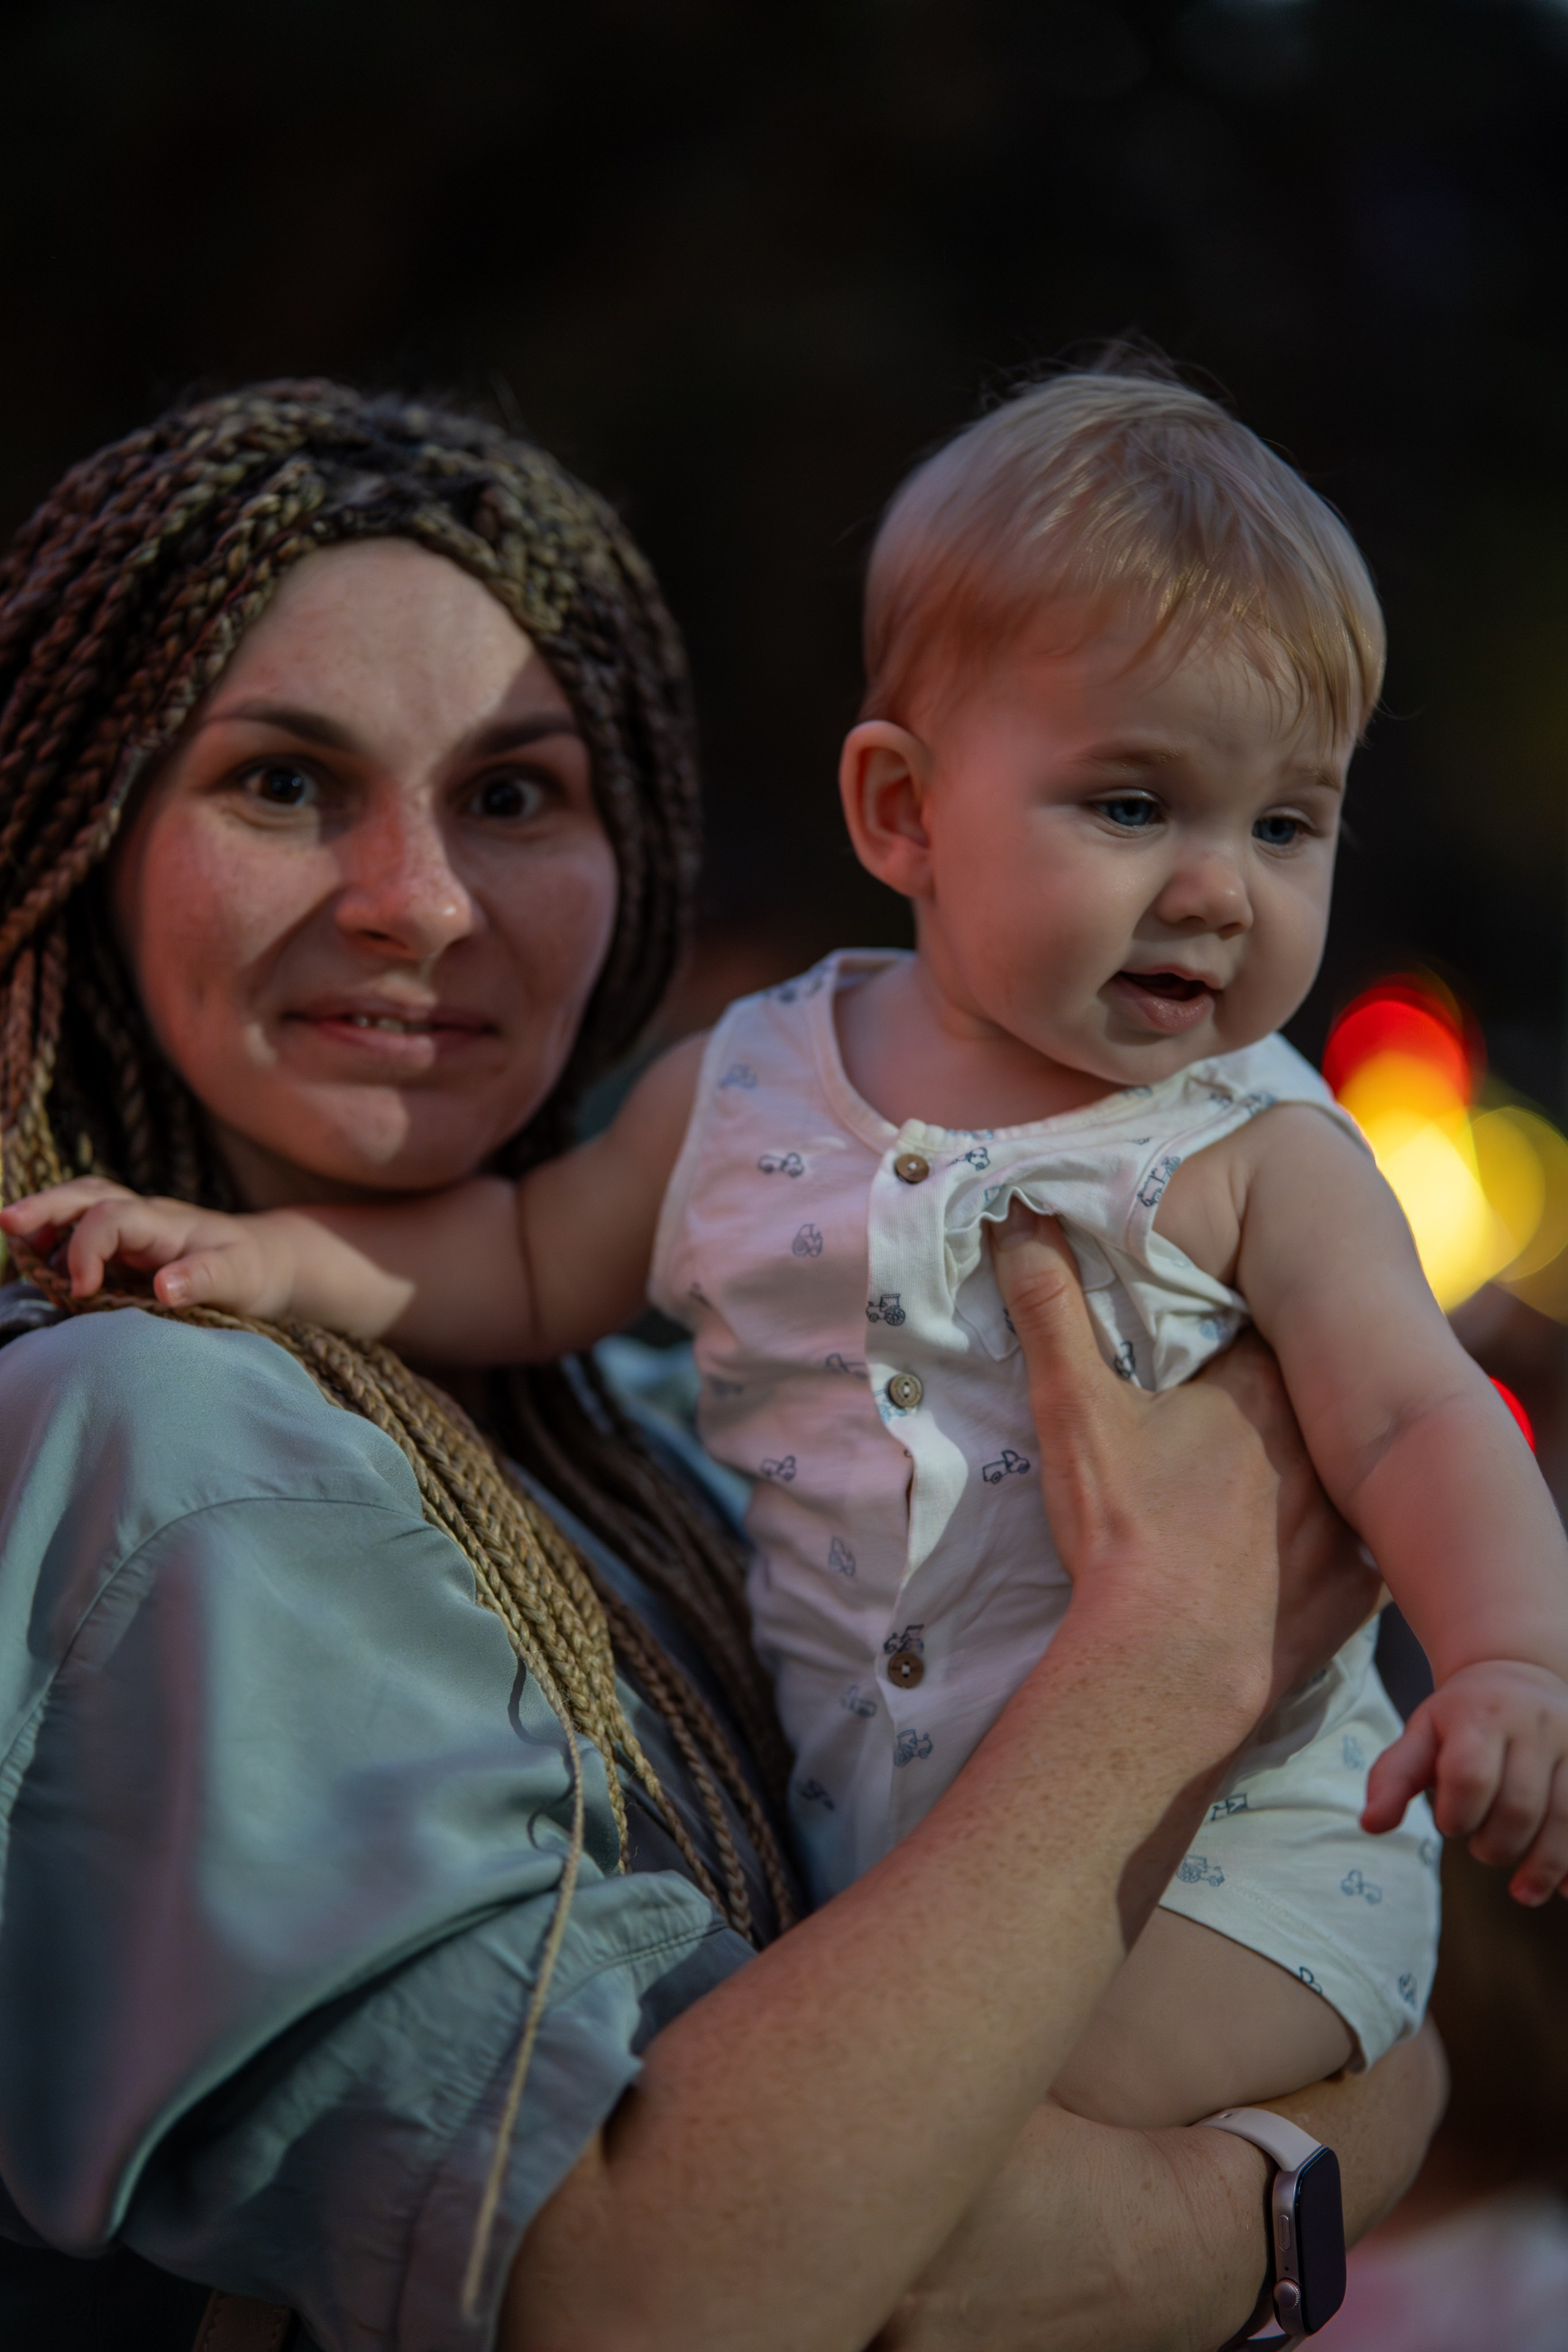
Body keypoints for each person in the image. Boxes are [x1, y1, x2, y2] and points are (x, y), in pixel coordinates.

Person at [0, 382, 1441, 2352]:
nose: (415, 901)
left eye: (517, 795)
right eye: (281, 781)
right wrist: (1174, 1653)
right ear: (78, 821)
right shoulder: (145, 1431)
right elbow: (657, 2292)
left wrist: (1260, 2186)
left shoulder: (672, 1431)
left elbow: (1409, 2067)